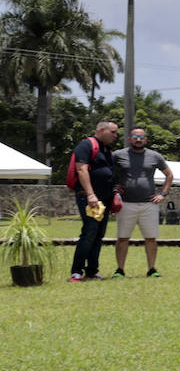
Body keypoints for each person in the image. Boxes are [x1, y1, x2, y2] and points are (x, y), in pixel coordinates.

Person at [111, 125, 174, 278]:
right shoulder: (118, 155)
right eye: (135, 137)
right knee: (123, 238)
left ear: (146, 140)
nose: (138, 140)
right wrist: (113, 188)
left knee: (151, 238)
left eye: (141, 137)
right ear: (129, 139)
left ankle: (152, 269)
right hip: (126, 203)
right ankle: (120, 270)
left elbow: (169, 175)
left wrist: (163, 194)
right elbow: (106, 172)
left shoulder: (155, 156)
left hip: (149, 204)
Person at [69, 119, 120, 282]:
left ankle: (91, 271)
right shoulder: (86, 145)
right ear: (101, 130)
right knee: (90, 231)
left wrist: (113, 197)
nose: (115, 135)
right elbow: (81, 169)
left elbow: (109, 176)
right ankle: (76, 272)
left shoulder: (108, 151)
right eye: (112, 132)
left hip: (104, 199)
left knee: (98, 234)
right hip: (88, 197)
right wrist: (91, 195)